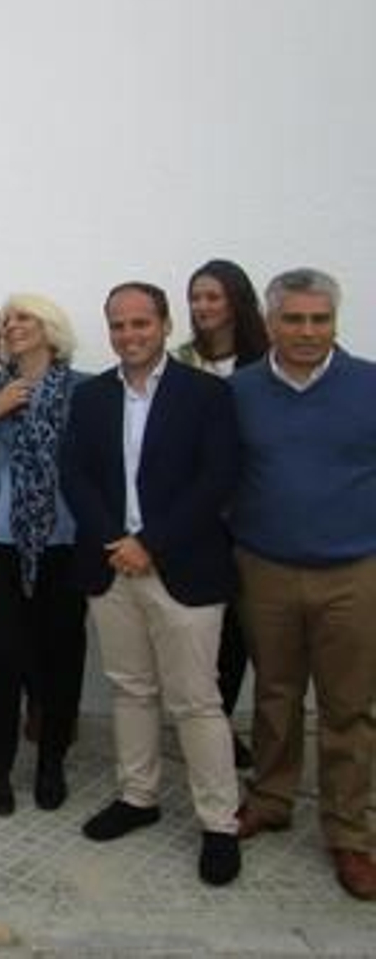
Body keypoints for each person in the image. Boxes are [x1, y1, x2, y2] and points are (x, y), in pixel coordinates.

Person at [61, 282, 242, 887]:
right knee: (131, 689)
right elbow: (77, 476)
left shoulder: (207, 394)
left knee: (196, 700)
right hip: (113, 566)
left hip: (183, 569)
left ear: (165, 325)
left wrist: (151, 543)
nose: (129, 335)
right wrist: (118, 540)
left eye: (141, 323)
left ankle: (219, 823)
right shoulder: (89, 398)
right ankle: (138, 797)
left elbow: (217, 479)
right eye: (118, 325)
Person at [229, 268, 376, 901]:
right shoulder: (240, 392)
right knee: (276, 694)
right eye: (295, 319)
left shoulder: (369, 384)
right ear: (271, 324)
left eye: (320, 319)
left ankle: (349, 834)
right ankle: (272, 796)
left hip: (354, 570)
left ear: (334, 323)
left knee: (349, 708)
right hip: (265, 566)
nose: (308, 331)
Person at [0, 294, 88, 818]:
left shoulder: (84, 389)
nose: (12, 326)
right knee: (4, 656)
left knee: (61, 659)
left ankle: (51, 762)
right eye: (6, 321)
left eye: (23, 317)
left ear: (50, 327)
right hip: (0, 544)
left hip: (63, 543)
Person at [172, 257, 269, 768]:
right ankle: (207, 725)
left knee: (241, 633)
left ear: (236, 300)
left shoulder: (267, 360)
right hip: (196, 519)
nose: (203, 306)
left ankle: (224, 722)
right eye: (195, 297)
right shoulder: (181, 361)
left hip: (255, 516)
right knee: (202, 633)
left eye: (212, 296)